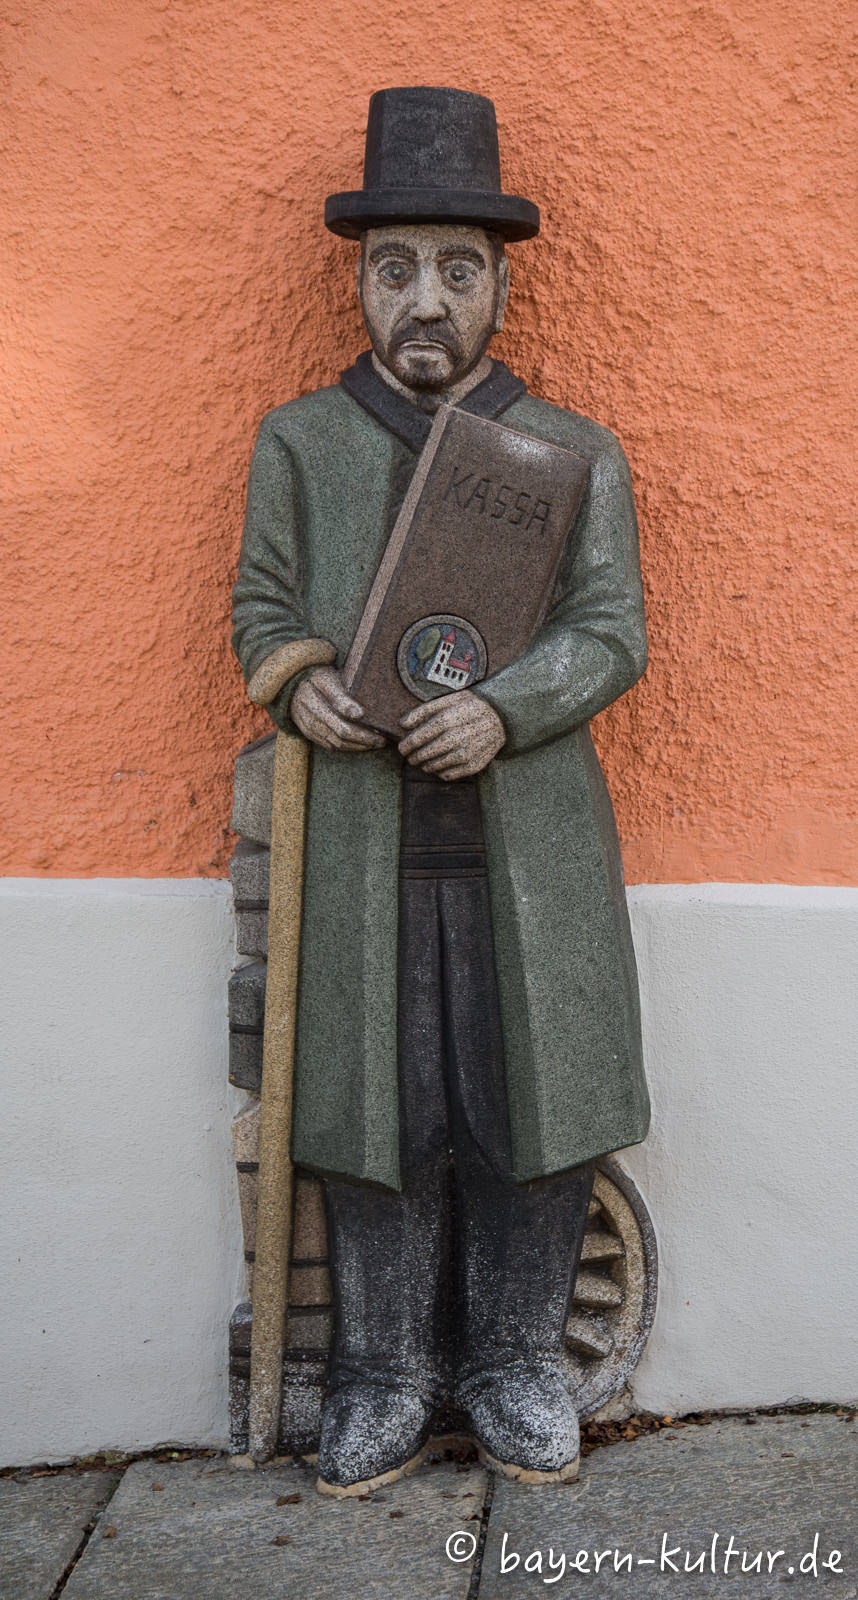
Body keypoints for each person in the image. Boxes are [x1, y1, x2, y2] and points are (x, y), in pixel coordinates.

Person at [232, 86, 650, 1496]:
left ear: (500, 285)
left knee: (532, 1098)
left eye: (459, 270)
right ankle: (382, 1368)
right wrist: (299, 680)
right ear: (357, 280)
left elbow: (610, 631)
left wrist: (505, 709)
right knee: (380, 1105)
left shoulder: (570, 452)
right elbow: (259, 605)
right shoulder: (300, 443)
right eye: (396, 266)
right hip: (364, 840)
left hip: (524, 842)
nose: (426, 300)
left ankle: (517, 1359)